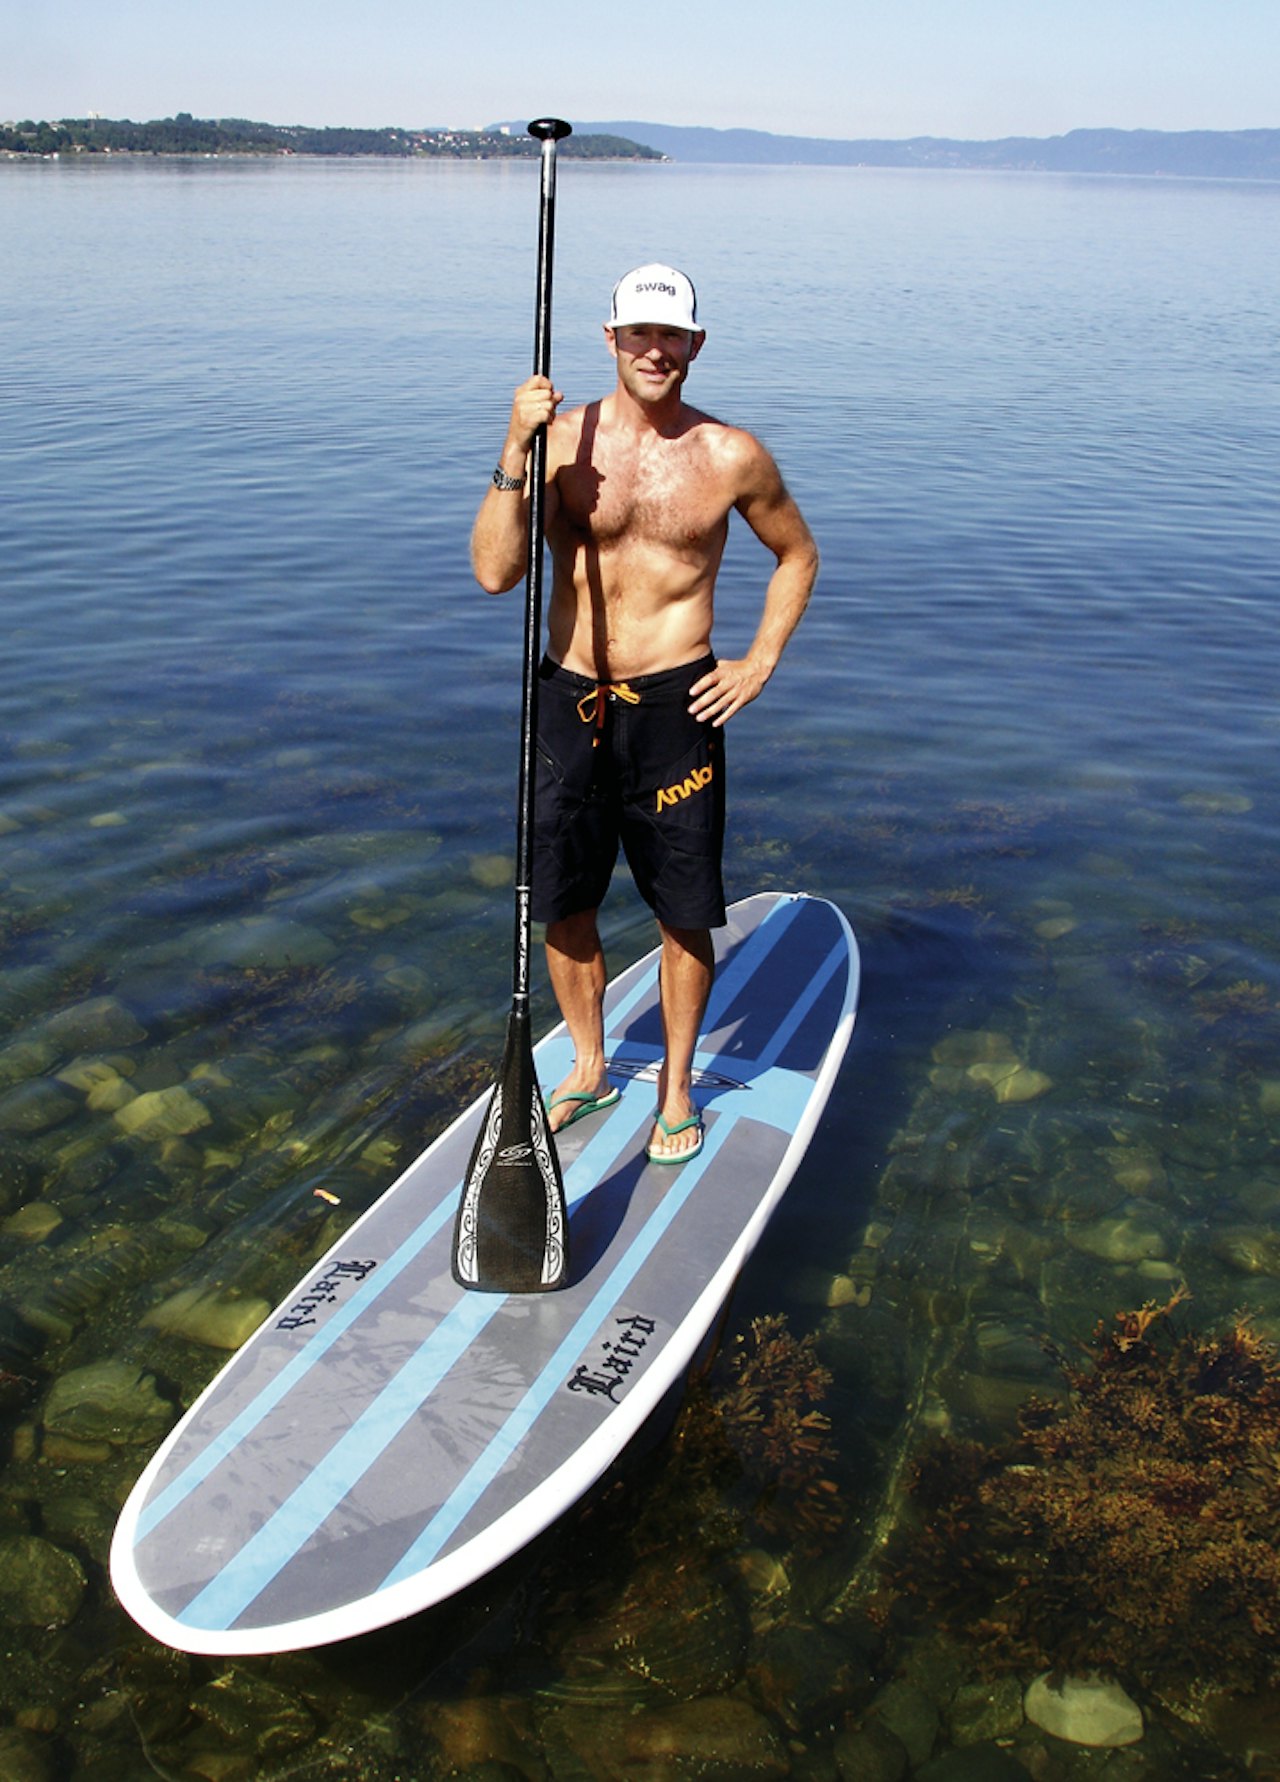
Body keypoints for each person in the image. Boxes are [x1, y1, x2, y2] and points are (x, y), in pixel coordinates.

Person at [471, 263, 818, 1163]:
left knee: (683, 911)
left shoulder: (731, 455)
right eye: (639, 335)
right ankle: (587, 1066)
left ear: (695, 345)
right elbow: (495, 572)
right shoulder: (559, 441)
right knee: (565, 906)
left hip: (677, 706)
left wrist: (758, 662)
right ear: (611, 339)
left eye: (672, 337)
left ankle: (674, 1089)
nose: (654, 351)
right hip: (567, 696)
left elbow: (798, 556)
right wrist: (514, 446)